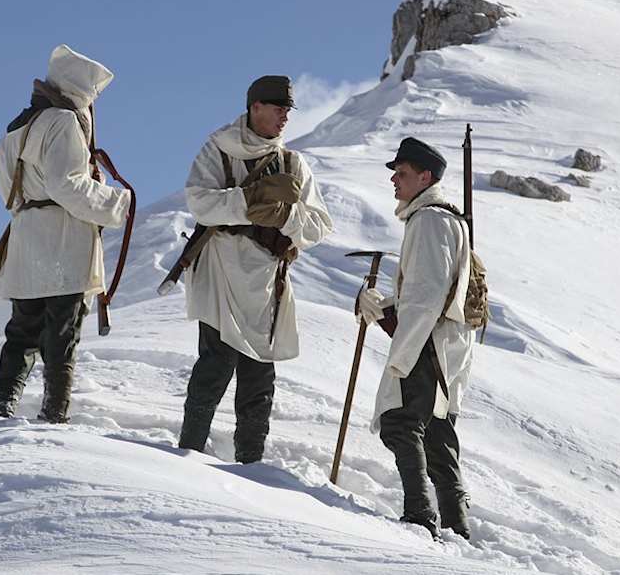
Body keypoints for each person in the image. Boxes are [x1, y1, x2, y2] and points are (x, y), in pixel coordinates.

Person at [177, 75, 334, 463]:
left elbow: (319, 226)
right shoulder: (219, 149)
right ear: (255, 108)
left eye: (287, 111)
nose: (284, 117)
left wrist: (284, 213)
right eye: (278, 108)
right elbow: (200, 203)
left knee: (259, 376)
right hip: (220, 270)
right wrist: (248, 201)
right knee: (215, 364)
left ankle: (252, 464)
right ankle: (188, 453)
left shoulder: (292, 163)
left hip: (266, 279)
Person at [0, 44, 131, 423]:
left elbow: (9, 194)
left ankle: (2, 405)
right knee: (62, 330)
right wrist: (117, 202)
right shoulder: (63, 122)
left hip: (26, 235)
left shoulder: (16, 127)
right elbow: (67, 186)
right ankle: (55, 412)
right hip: (62, 238)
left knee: (22, 329)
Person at [358, 136, 475, 539]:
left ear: (425, 176)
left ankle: (419, 515)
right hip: (445, 341)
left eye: (402, 174)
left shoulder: (428, 221)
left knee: (399, 422)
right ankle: (457, 526)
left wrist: (401, 354)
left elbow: (425, 298)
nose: (395, 181)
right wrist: (385, 305)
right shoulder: (446, 219)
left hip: (427, 340)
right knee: (438, 432)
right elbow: (431, 290)